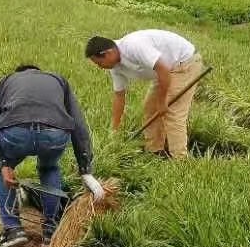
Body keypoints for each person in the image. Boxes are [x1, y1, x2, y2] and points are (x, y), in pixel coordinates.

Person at [0, 64, 104, 247]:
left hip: (16, 134)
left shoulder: (6, 81)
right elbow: (78, 123)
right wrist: (85, 168)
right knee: (49, 167)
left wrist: (2, 163)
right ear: (39, 72)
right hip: (54, 134)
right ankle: (51, 229)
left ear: (19, 74)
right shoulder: (58, 80)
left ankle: (13, 229)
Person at [84, 29, 204, 160]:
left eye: (99, 63)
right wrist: (115, 130)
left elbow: (162, 68)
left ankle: (180, 161)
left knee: (172, 112)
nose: (100, 67)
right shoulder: (115, 67)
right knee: (150, 109)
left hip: (184, 63)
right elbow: (119, 96)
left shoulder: (133, 46)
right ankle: (155, 152)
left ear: (108, 53)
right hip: (164, 72)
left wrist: (162, 101)